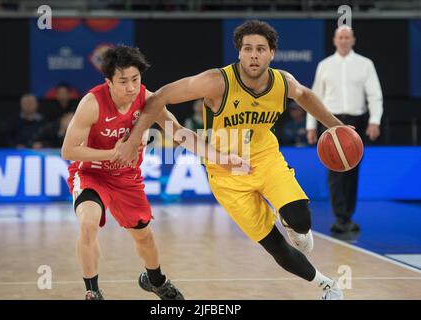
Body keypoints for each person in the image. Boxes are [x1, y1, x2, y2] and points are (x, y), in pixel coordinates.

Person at [115, 20, 349, 300]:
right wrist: (133, 139)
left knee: (301, 219)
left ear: (272, 53)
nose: (253, 55)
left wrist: (335, 125)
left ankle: (293, 224)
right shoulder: (216, 82)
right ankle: (327, 285)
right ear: (238, 52)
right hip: (225, 172)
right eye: (247, 48)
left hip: (266, 158)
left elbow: (305, 95)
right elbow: (160, 97)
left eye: (260, 49)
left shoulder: (282, 82)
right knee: (274, 245)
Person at [61, 45, 248, 300]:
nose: (130, 87)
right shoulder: (92, 103)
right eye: (123, 81)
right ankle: (92, 292)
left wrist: (220, 158)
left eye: (135, 79)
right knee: (88, 223)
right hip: (92, 174)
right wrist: (112, 154)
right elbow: (69, 151)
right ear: (109, 82)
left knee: (145, 237)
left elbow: (181, 133)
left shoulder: (148, 100)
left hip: (127, 178)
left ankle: (156, 280)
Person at [306, 25, 383, 234]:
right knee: (334, 170)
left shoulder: (365, 64)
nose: (344, 40)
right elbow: (314, 97)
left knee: (352, 170)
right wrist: (311, 126)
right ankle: (340, 217)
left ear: (353, 40)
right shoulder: (325, 65)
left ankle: (347, 215)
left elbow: (374, 94)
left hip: (355, 121)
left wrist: (375, 120)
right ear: (334, 40)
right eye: (340, 37)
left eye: (347, 37)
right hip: (330, 120)